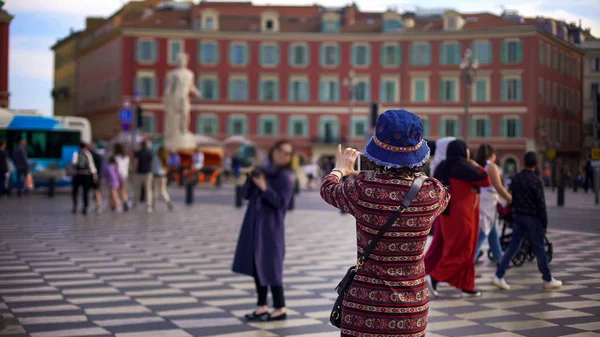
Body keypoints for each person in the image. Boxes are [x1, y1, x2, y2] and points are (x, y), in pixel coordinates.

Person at [320, 110, 449, 336]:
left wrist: (339, 168)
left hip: (364, 310)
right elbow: (443, 195)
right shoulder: (432, 192)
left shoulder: (362, 189)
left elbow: (328, 189)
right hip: (411, 311)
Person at [232, 140, 295, 322]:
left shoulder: (285, 177)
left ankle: (280, 307)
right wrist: (251, 178)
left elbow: (281, 203)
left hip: (271, 228)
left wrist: (264, 187)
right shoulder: (264, 172)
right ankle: (262, 306)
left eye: (286, 153)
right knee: (257, 265)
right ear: (273, 151)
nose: (281, 155)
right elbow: (245, 194)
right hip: (254, 224)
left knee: (272, 267)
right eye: (279, 150)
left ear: (289, 158)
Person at [428, 139, 491, 298]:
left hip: (447, 214)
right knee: (465, 251)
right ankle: (435, 276)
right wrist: (475, 164)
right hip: (463, 214)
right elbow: (486, 179)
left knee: (455, 248)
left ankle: (467, 286)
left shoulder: (442, 166)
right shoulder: (465, 167)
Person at [492, 152, 562, 291]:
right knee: (540, 248)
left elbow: (511, 197)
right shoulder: (536, 181)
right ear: (536, 164)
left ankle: (499, 275)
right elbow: (541, 204)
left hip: (518, 216)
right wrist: (544, 223)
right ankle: (547, 279)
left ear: (523, 162)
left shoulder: (516, 178)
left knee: (514, 246)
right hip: (532, 218)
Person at [474, 144, 512, 266]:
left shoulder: (477, 165)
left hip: (480, 199)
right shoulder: (491, 167)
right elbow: (498, 186)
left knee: (492, 231)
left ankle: (499, 258)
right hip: (489, 202)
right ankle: (469, 263)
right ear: (492, 154)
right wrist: (510, 198)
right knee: (484, 231)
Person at [424, 137, 455, 272]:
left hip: (434, 207)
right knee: (438, 241)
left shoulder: (436, 163)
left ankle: (434, 268)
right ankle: (434, 269)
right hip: (437, 208)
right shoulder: (438, 165)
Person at [71, 142, 98, 215]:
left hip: (77, 175)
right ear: (86, 147)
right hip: (86, 175)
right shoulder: (88, 154)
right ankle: (85, 207)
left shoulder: (76, 153)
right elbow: (91, 165)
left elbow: (73, 163)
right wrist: (95, 175)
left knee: (75, 192)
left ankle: (75, 207)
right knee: (85, 192)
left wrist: (73, 174)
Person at [133, 141, 154, 213]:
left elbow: (136, 162)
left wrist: (135, 170)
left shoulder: (138, 152)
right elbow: (151, 162)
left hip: (139, 173)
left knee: (137, 189)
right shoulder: (149, 152)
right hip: (148, 173)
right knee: (148, 190)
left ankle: (135, 204)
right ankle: (148, 206)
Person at [152, 146, 173, 211]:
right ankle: (168, 201)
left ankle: (153, 204)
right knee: (163, 190)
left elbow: (152, 167)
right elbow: (167, 168)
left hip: (156, 176)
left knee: (155, 191)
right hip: (163, 176)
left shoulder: (155, 158)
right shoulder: (165, 158)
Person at [114, 143, 130, 211]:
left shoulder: (116, 157)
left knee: (115, 191)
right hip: (124, 175)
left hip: (118, 175)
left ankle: (117, 205)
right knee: (123, 191)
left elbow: (116, 167)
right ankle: (125, 204)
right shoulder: (127, 157)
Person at [89, 144, 104, 214]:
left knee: (93, 191)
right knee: (97, 191)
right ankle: (98, 206)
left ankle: (93, 206)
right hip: (97, 176)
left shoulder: (90, 156)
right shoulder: (98, 156)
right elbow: (100, 167)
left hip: (91, 176)